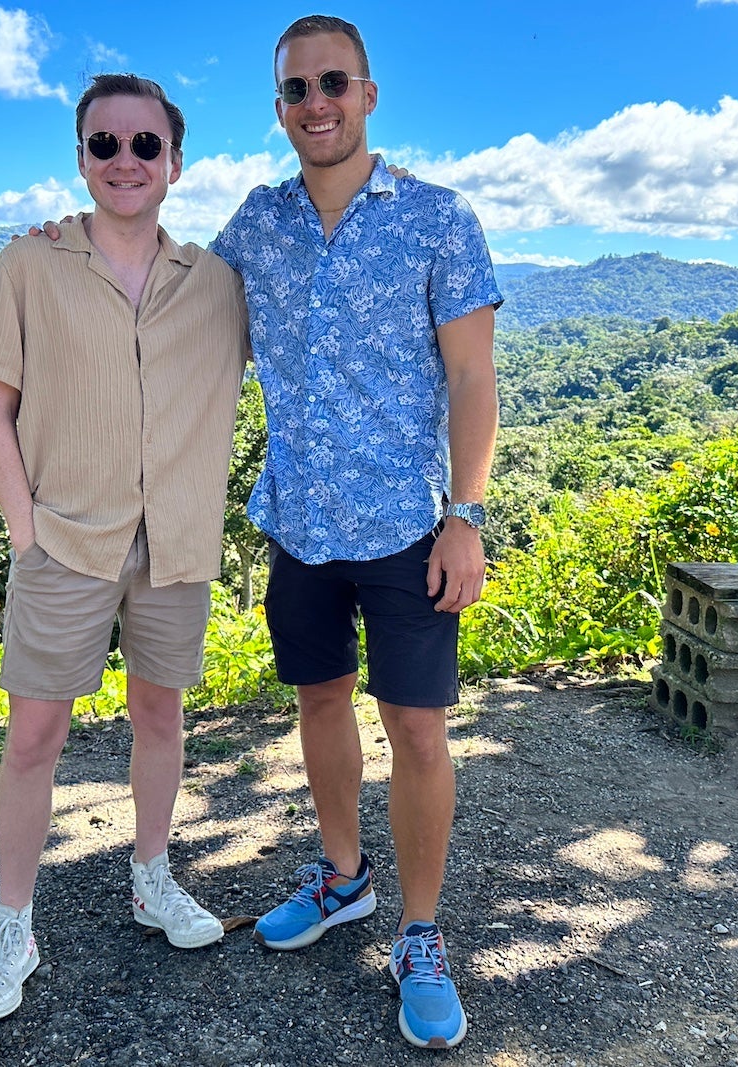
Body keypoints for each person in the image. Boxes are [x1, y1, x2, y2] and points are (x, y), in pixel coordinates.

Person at [209, 14, 502, 1051]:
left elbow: (472, 374)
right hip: (298, 519)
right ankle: (344, 877)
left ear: (369, 94)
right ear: (280, 106)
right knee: (319, 699)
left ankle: (421, 933)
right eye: (296, 88)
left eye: (333, 81)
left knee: (417, 726)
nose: (315, 102)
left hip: (404, 523)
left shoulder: (436, 218)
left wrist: (464, 515)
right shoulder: (257, 222)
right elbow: (172, 305)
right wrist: (63, 246)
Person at [0, 72, 250, 1025]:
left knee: (161, 718)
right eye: (103, 145)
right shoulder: (30, 264)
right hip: (65, 540)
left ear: (175, 160)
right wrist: (24, 526)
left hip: (175, 541)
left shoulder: (216, 284)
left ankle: (152, 877)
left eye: (143, 145)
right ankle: (13, 926)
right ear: (80, 158)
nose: (124, 161)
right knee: (34, 737)